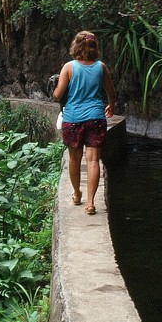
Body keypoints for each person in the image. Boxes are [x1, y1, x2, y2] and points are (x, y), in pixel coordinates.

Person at [52, 30, 117, 215]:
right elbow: (111, 93)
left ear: (76, 46)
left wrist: (55, 88)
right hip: (96, 117)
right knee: (93, 160)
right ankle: (90, 203)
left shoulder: (69, 67)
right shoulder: (101, 67)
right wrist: (110, 106)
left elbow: (58, 95)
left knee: (74, 158)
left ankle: (77, 193)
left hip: (73, 119)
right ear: (94, 47)